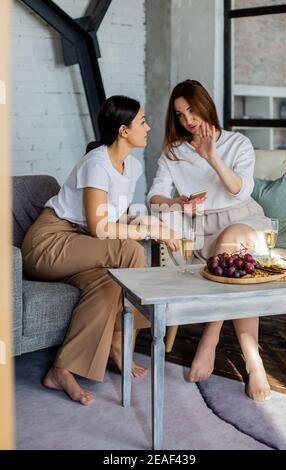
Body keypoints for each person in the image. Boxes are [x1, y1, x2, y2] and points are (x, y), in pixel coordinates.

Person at [21, 95, 180, 405]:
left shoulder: (130, 166)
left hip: (80, 246)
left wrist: (149, 222)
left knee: (109, 283)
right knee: (131, 251)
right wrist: (146, 231)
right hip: (49, 244)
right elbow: (100, 228)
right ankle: (122, 341)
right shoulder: (96, 163)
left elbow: (115, 216)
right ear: (123, 130)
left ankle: (61, 370)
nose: (148, 127)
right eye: (142, 122)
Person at [148, 80, 271, 401]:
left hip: (244, 220)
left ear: (205, 105)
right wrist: (177, 203)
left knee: (231, 243)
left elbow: (239, 190)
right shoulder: (174, 151)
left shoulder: (237, 143)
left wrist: (212, 156)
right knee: (233, 268)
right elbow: (154, 198)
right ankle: (254, 361)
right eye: (179, 114)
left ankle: (211, 335)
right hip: (202, 230)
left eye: (191, 109)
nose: (187, 119)